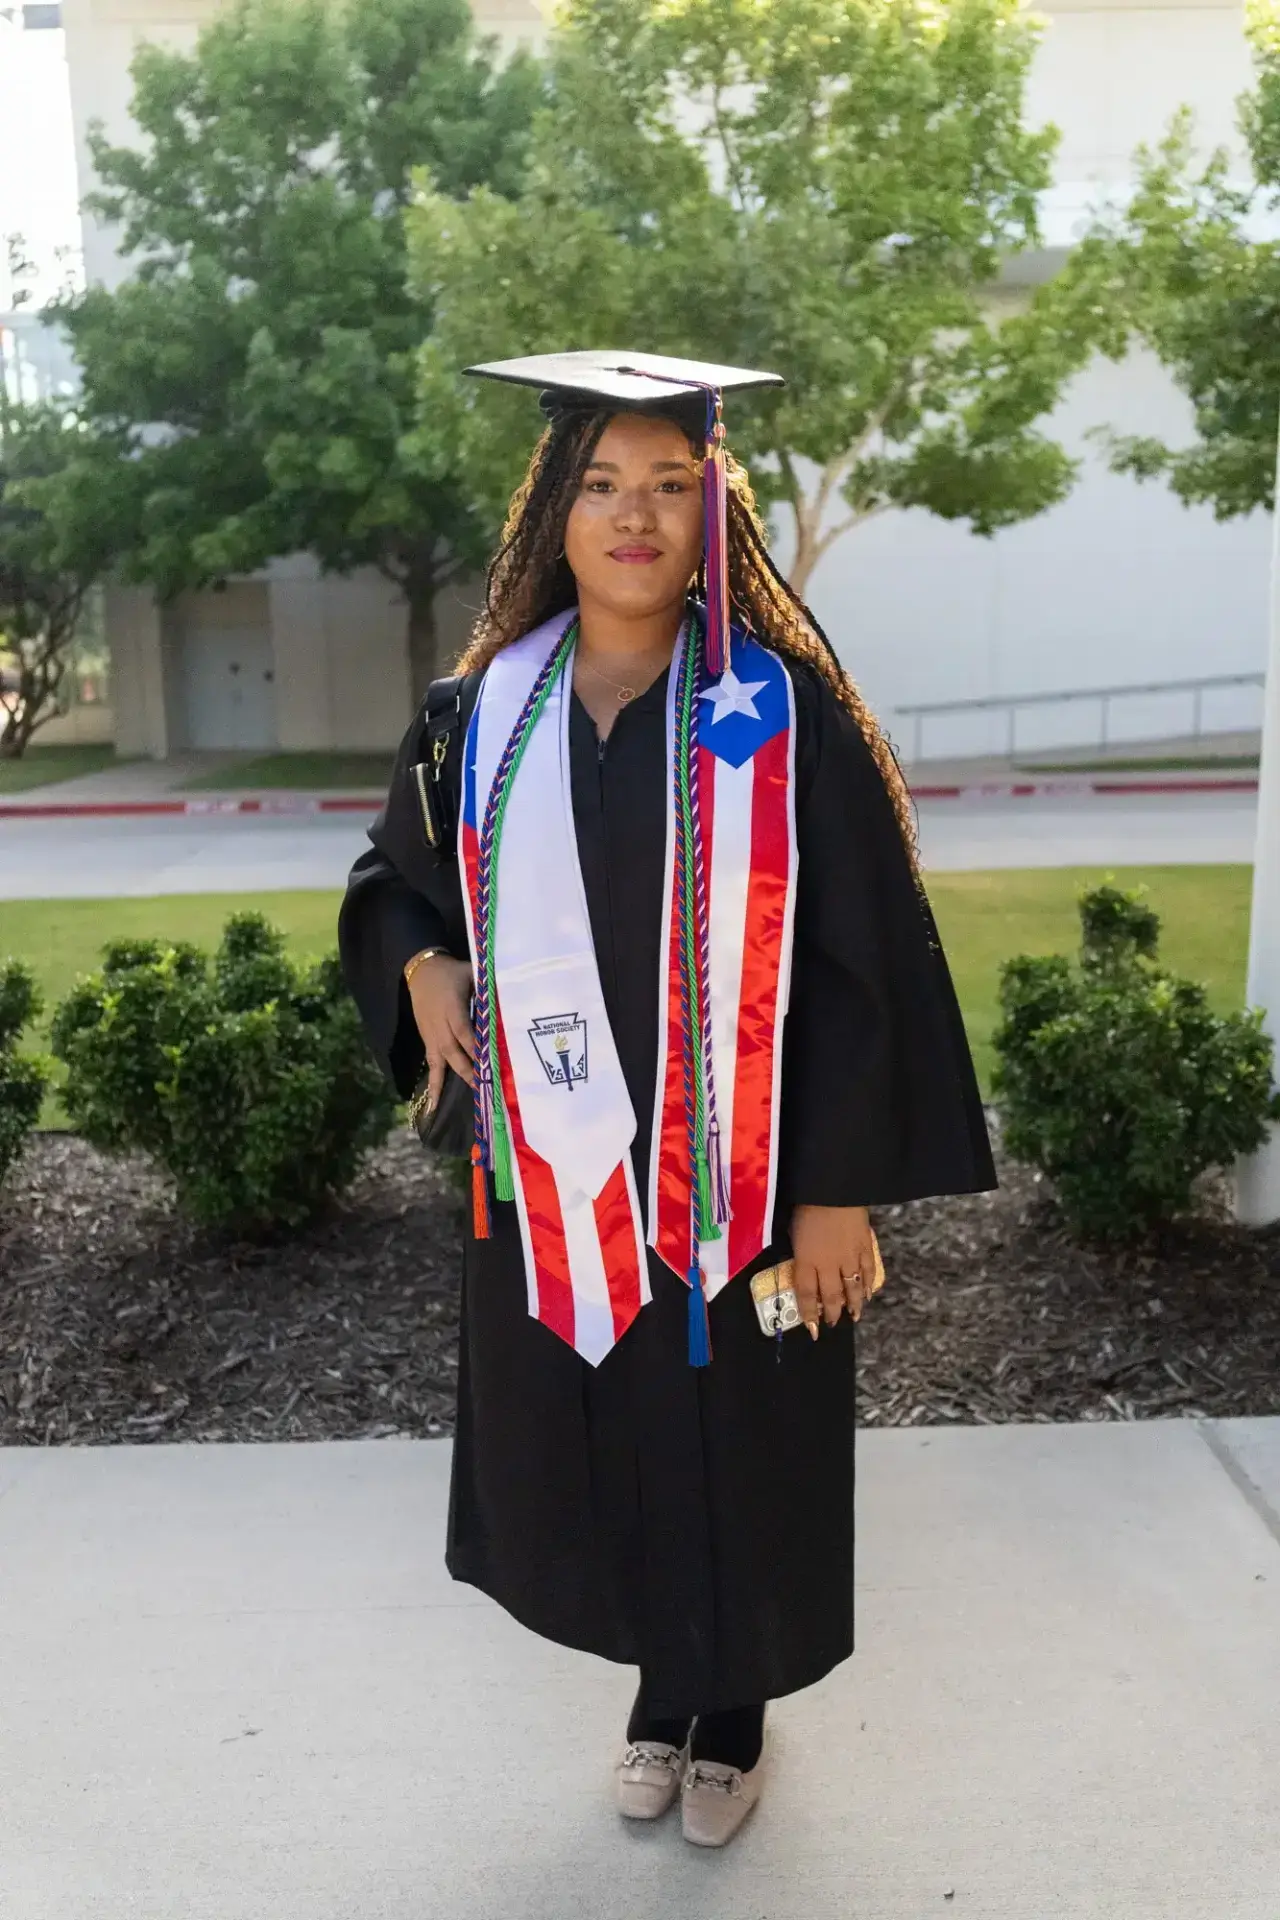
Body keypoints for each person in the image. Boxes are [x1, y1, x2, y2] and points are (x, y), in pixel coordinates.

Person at [339, 350, 995, 1848]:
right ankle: (661, 1691)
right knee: (607, 1439)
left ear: (716, 518)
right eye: (601, 484)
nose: (634, 514)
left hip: (747, 1194)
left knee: (740, 1445)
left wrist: (837, 1189)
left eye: (672, 486)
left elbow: (861, 966)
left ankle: (735, 1713)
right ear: (551, 515)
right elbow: (392, 882)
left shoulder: (781, 717)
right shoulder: (477, 715)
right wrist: (423, 964)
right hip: (564, 1188)